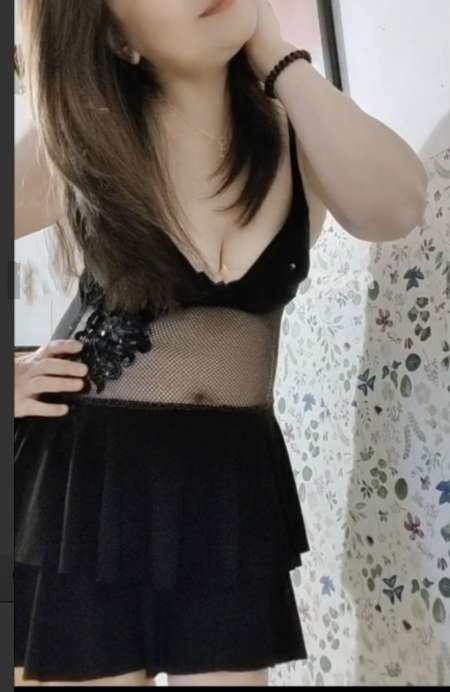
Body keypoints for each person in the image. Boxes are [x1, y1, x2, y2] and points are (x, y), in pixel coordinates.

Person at [14, 0, 322, 686]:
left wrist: (280, 60)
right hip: (91, 477)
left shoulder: (290, 129)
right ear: (116, 38)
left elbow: (394, 206)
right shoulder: (86, 133)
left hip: (230, 478)